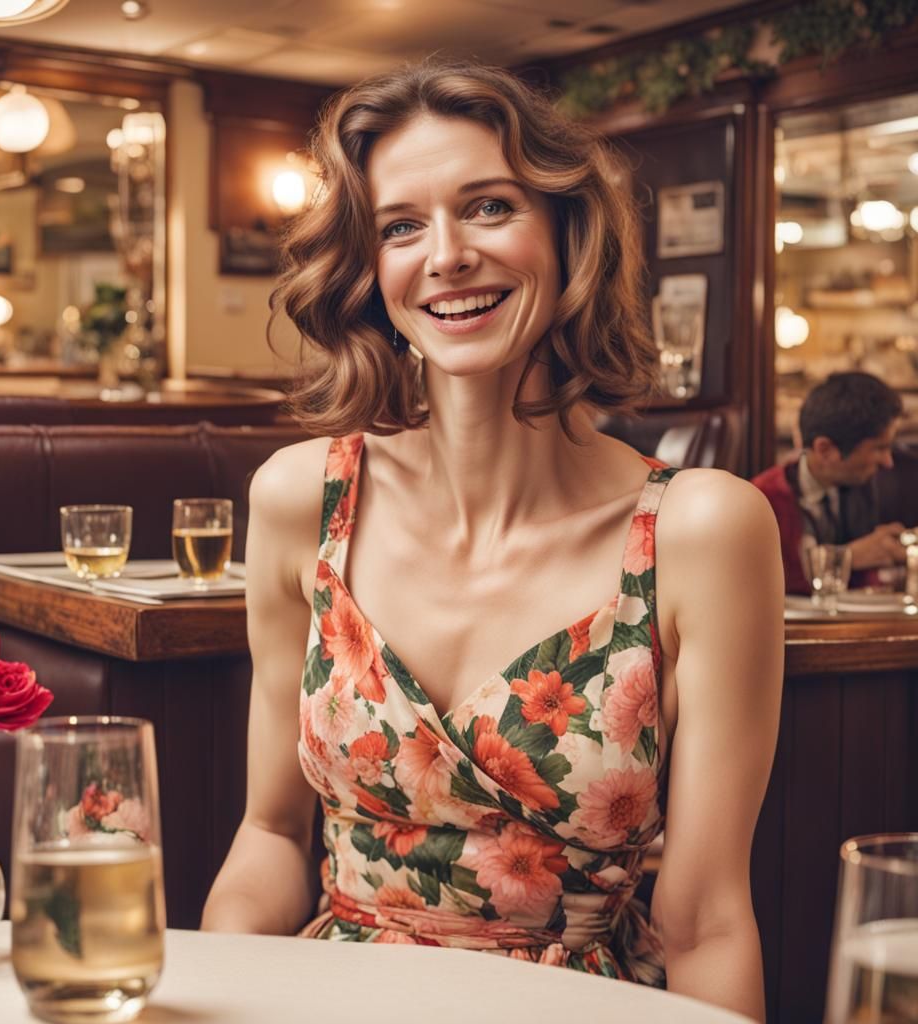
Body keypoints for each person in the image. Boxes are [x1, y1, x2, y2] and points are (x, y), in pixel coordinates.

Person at [202, 59, 783, 1021]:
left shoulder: (700, 529)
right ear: (370, 266)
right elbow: (269, 835)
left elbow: (709, 921)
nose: (445, 255)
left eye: (488, 207)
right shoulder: (300, 499)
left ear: (566, 233)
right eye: (401, 226)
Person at [752, 372, 905, 595]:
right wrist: (847, 558)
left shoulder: (865, 485)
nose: (888, 462)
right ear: (825, 449)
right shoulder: (764, 499)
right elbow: (766, 587)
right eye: (879, 448)